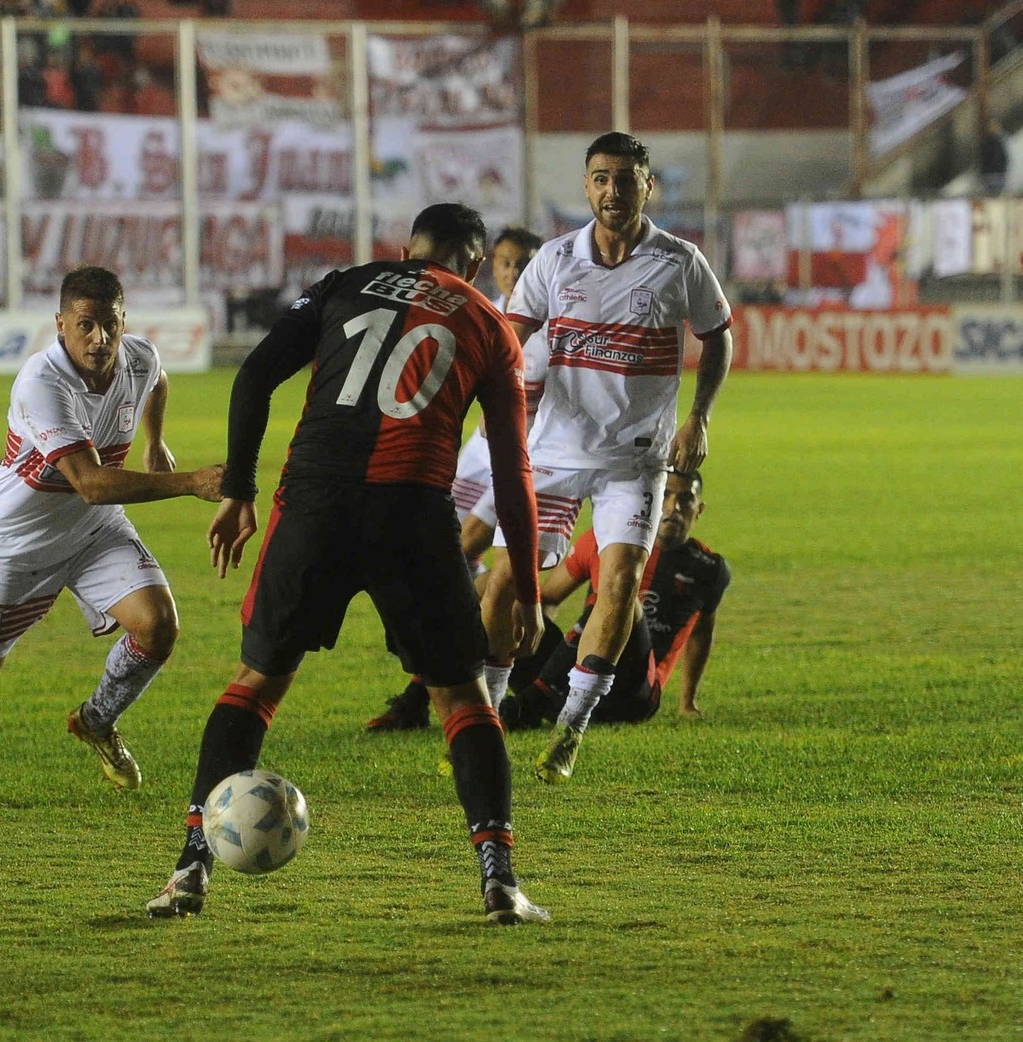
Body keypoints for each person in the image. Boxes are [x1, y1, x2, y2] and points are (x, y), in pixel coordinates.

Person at [145, 202, 549, 925]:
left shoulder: (346, 282)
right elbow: (514, 468)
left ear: (406, 249)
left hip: (314, 503)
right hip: (411, 513)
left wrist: (238, 489)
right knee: (462, 698)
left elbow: (254, 378)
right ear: (475, 263)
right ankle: (499, 882)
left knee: (257, 683)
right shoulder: (488, 322)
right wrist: (524, 583)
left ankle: (187, 870)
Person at [0, 266, 224, 811]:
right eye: (85, 325)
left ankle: (97, 721)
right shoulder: (42, 382)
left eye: (109, 325)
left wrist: (156, 442)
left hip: (92, 534)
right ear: (61, 325)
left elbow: (158, 379)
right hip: (17, 547)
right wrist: (188, 482)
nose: (99, 339)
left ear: (123, 321)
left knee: (158, 627)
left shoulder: (137, 357)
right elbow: (90, 483)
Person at [482, 131, 733, 784]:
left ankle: (571, 727)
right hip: (554, 451)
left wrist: (700, 415)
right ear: (586, 184)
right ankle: (481, 711)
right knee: (506, 578)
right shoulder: (556, 260)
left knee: (619, 581)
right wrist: (508, 405)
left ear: (646, 185)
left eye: (625, 178)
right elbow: (512, 340)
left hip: (634, 459)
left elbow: (718, 338)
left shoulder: (679, 263)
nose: (611, 190)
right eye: (599, 178)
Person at [367, 224, 546, 731]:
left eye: (524, 264)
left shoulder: (552, 328)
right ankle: (430, 689)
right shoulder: (486, 311)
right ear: (493, 265)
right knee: (442, 565)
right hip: (474, 455)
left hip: (523, 460)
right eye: (507, 263)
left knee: (461, 553)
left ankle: (439, 696)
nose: (514, 272)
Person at [503, 468, 729, 729]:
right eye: (664, 495)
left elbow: (701, 632)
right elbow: (548, 599)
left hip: (634, 696)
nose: (673, 507)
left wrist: (687, 703)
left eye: (686, 499)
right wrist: (544, 660)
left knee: (620, 599)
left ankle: (532, 699)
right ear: (650, 498)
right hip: (578, 679)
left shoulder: (709, 568)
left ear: (698, 509)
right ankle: (517, 695)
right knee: (509, 601)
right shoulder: (603, 542)